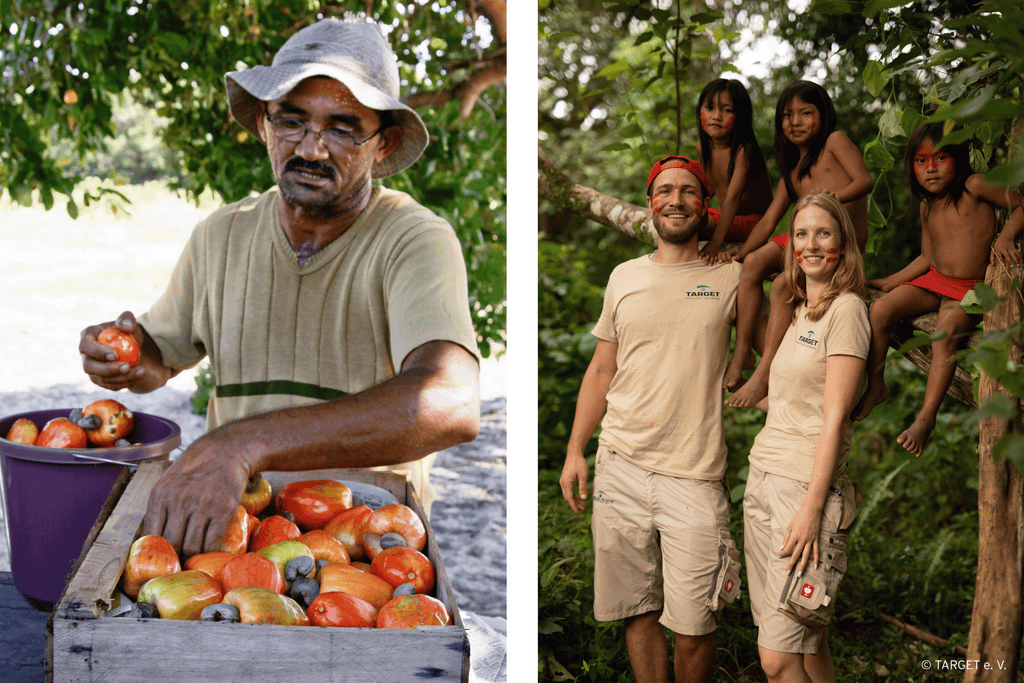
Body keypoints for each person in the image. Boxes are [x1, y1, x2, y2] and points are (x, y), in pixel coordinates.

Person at [78, 19, 482, 558]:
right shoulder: (220, 235)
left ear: (383, 145)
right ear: (265, 126)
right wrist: (122, 355)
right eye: (291, 121)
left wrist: (244, 443)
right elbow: (157, 359)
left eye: (342, 128)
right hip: (235, 522)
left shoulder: (413, 239)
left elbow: (451, 402)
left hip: (365, 547)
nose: (311, 150)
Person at [560, 156, 743, 683]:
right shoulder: (624, 277)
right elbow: (602, 369)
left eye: (689, 191)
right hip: (620, 464)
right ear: (650, 203)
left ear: (705, 206)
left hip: (695, 472)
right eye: (665, 190)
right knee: (636, 608)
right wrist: (576, 450)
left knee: (695, 624)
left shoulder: (730, 275)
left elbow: (796, 262)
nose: (676, 200)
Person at [742, 193, 868, 683]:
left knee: (777, 659)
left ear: (843, 243)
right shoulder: (799, 312)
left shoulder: (847, 311)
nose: (811, 244)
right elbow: (792, 400)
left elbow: (834, 418)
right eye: (801, 234)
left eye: (824, 233)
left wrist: (813, 508)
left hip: (803, 491)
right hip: (765, 478)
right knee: (808, 646)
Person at [852, 123, 1024, 454]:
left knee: (944, 334)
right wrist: (890, 281)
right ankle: (875, 385)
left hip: (971, 290)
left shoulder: (974, 186)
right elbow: (927, 257)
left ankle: (925, 419)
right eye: (921, 161)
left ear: (957, 159)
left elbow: (1020, 205)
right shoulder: (927, 206)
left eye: (940, 157)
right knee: (880, 310)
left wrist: (1005, 236)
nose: (930, 168)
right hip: (935, 280)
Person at [723, 81, 872, 408]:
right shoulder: (791, 172)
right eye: (788, 115)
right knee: (750, 267)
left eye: (806, 113)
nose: (796, 121)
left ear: (824, 115)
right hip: (805, 242)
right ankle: (743, 352)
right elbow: (766, 222)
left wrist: (832, 199)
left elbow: (865, 180)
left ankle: (764, 374)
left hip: (840, 240)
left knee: (781, 286)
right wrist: (741, 252)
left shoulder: (835, 141)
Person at [694, 78, 774, 265]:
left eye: (727, 110)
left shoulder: (743, 151)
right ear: (700, 111)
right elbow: (709, 188)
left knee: (692, 222)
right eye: (710, 108)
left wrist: (715, 243)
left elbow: (732, 197)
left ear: (741, 116)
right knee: (684, 215)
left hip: (752, 224)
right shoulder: (703, 147)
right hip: (727, 220)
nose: (716, 116)